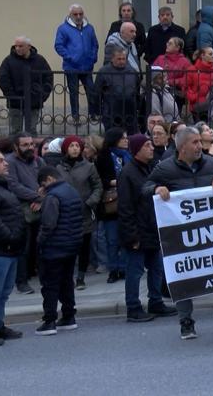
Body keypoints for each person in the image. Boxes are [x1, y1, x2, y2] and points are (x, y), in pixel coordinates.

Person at [144, 127, 213, 339]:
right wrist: (156, 190)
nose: (199, 146)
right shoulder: (166, 168)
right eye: (195, 142)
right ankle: (186, 323)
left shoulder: (211, 164)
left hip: (212, 233)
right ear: (182, 147)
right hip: (183, 235)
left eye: (199, 142)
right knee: (184, 277)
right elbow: (146, 186)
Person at [118, 134, 177, 322]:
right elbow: (125, 207)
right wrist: (131, 236)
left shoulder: (151, 169)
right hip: (138, 232)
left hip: (153, 229)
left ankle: (155, 301)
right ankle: (133, 307)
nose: (151, 148)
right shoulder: (128, 173)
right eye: (147, 145)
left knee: (156, 268)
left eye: (151, 144)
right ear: (137, 150)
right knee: (134, 272)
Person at [34, 165, 83, 336]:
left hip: (54, 247)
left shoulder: (52, 196)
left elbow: (48, 224)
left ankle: (49, 321)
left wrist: (39, 241)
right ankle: (69, 316)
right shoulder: (71, 191)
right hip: (71, 244)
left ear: (49, 179)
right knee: (66, 282)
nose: (42, 188)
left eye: (42, 184)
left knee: (50, 285)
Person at [55, 136, 102, 291]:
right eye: (71, 146)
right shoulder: (58, 168)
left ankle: (81, 277)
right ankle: (67, 276)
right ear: (65, 148)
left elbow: (97, 186)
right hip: (65, 213)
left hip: (85, 212)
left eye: (77, 145)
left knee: (84, 246)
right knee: (68, 247)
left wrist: (90, 202)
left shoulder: (89, 166)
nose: (75, 148)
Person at [5, 132, 44, 295]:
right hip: (21, 211)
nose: (30, 148)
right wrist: (37, 196)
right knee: (23, 248)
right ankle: (21, 281)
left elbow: (47, 180)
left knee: (40, 245)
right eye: (25, 145)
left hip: (39, 208)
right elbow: (14, 186)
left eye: (32, 144)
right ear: (16, 147)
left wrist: (41, 199)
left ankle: (36, 275)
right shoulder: (10, 162)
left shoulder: (38, 160)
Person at [0, 149, 26, 346]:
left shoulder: (3, 186)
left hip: (9, 249)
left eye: (4, 161)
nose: (5, 164)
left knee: (3, 293)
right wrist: (10, 236)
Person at [0, 36, 53, 134]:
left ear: (29, 46)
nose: (17, 48)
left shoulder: (39, 60)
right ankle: (14, 149)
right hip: (15, 103)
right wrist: (12, 96)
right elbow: (2, 79)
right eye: (16, 46)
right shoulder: (9, 61)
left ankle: (31, 149)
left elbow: (48, 78)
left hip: (34, 101)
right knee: (15, 131)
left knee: (31, 131)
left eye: (21, 46)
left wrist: (41, 95)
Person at [95, 128, 130, 283]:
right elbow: (100, 179)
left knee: (125, 238)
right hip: (111, 203)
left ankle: (123, 268)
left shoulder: (128, 156)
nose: (126, 140)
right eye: (123, 138)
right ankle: (113, 269)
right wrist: (117, 181)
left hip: (127, 201)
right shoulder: (103, 157)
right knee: (112, 239)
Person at [54, 3, 99, 118]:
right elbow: (59, 46)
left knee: (91, 90)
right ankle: (75, 116)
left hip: (87, 65)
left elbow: (95, 44)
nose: (78, 16)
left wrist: (93, 57)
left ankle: (93, 114)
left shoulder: (89, 28)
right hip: (71, 66)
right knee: (73, 93)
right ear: (70, 15)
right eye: (75, 14)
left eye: (81, 14)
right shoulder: (63, 28)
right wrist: (70, 58)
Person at [94, 49, 141, 133]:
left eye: (123, 59)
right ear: (112, 59)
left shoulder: (132, 71)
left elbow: (137, 90)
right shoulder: (104, 72)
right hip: (111, 113)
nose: (121, 61)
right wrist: (98, 111)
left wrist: (137, 106)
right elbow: (97, 93)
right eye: (119, 59)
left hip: (130, 112)